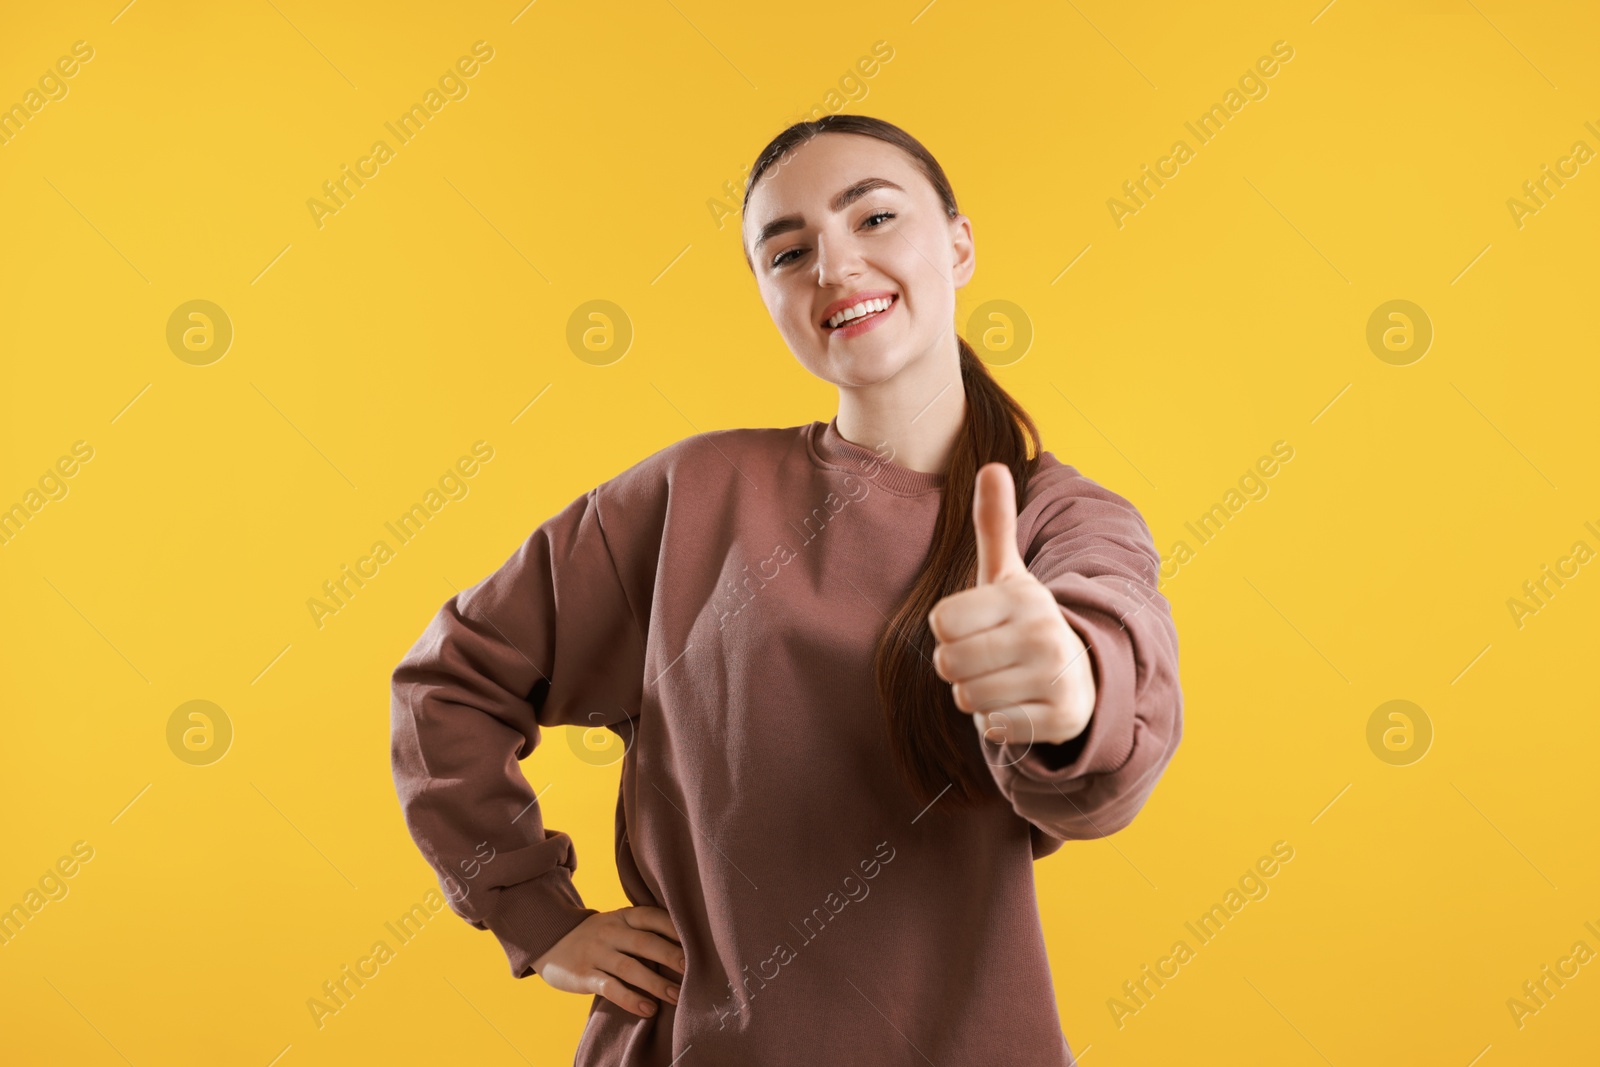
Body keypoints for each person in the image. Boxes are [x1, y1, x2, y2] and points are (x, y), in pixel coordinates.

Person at [390, 114, 1183, 1066]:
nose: (836, 266)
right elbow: (450, 683)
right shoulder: (690, 494)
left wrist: (1069, 686)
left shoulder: (1061, 520)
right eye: (789, 250)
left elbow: (1111, 703)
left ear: (961, 244)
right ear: (768, 295)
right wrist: (535, 911)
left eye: (875, 218)